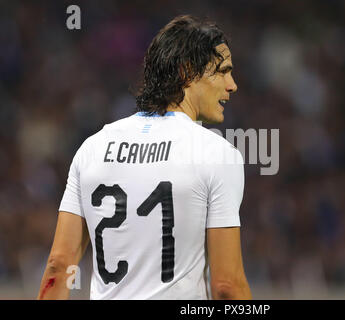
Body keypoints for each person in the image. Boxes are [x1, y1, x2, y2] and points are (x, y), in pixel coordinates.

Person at [37, 15, 252, 300]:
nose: (232, 84)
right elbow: (227, 286)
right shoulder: (218, 155)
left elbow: (59, 267)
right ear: (188, 71)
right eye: (223, 71)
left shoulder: (93, 148)